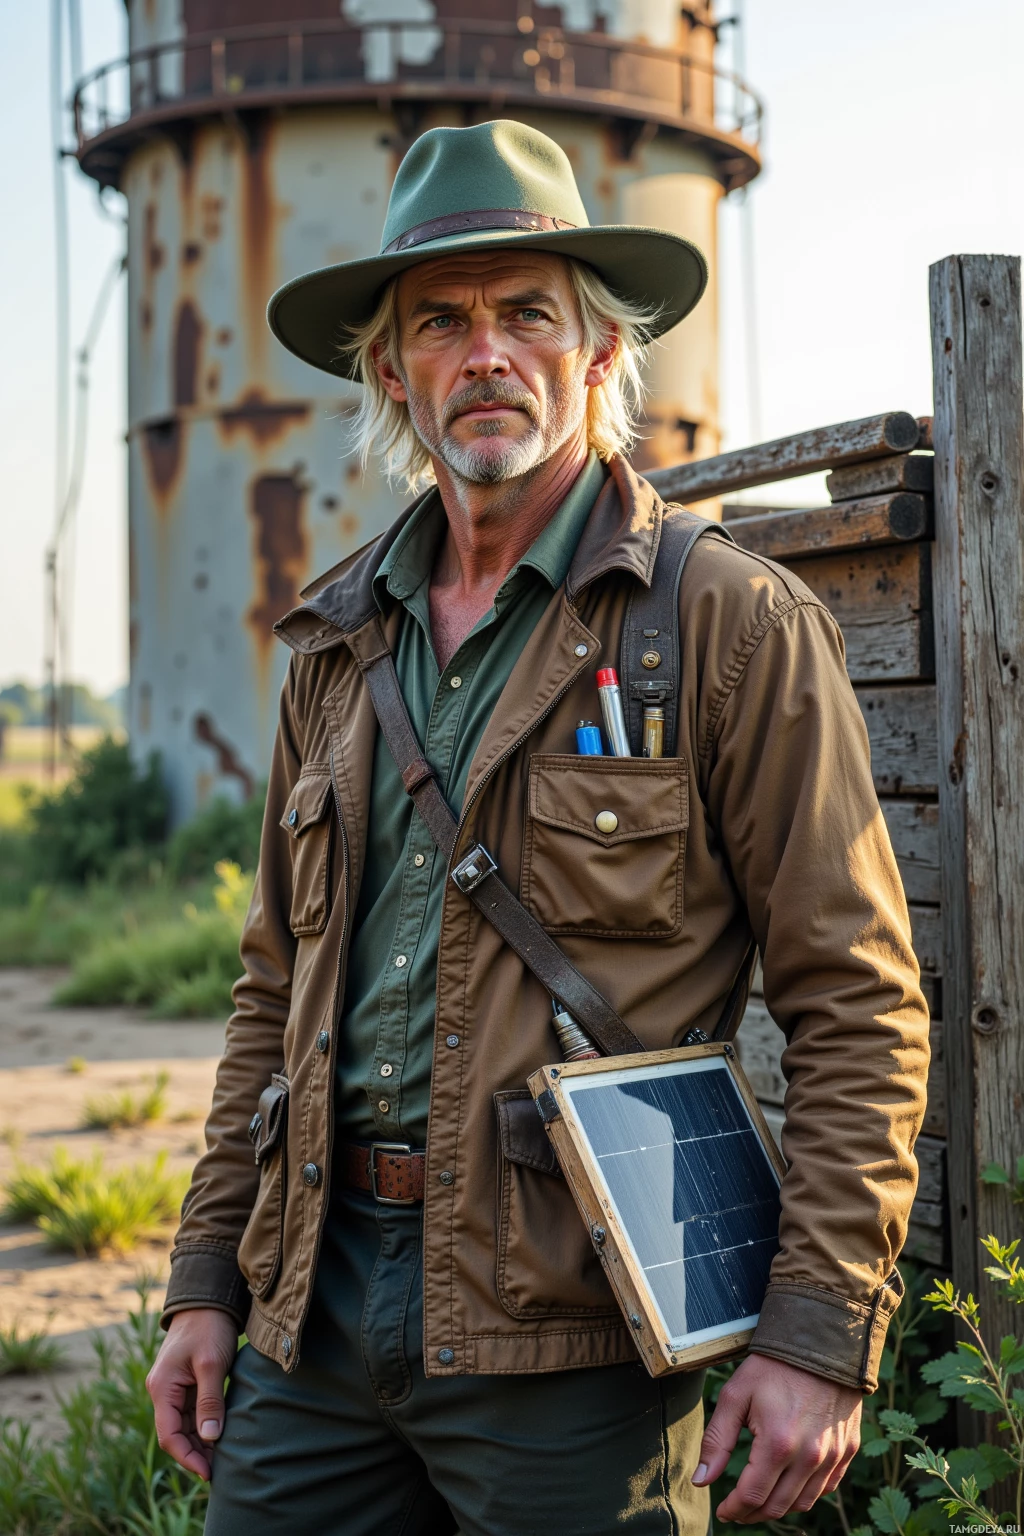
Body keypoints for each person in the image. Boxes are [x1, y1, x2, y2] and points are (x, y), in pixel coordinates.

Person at [146, 120, 930, 1534]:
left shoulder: (726, 624)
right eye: (440, 322)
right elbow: (273, 991)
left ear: (601, 356)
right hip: (313, 1314)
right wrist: (210, 1276)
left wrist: (815, 1333)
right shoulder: (334, 644)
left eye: (528, 315)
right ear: (391, 370)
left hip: (576, 1334)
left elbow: (857, 1002)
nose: (485, 353)